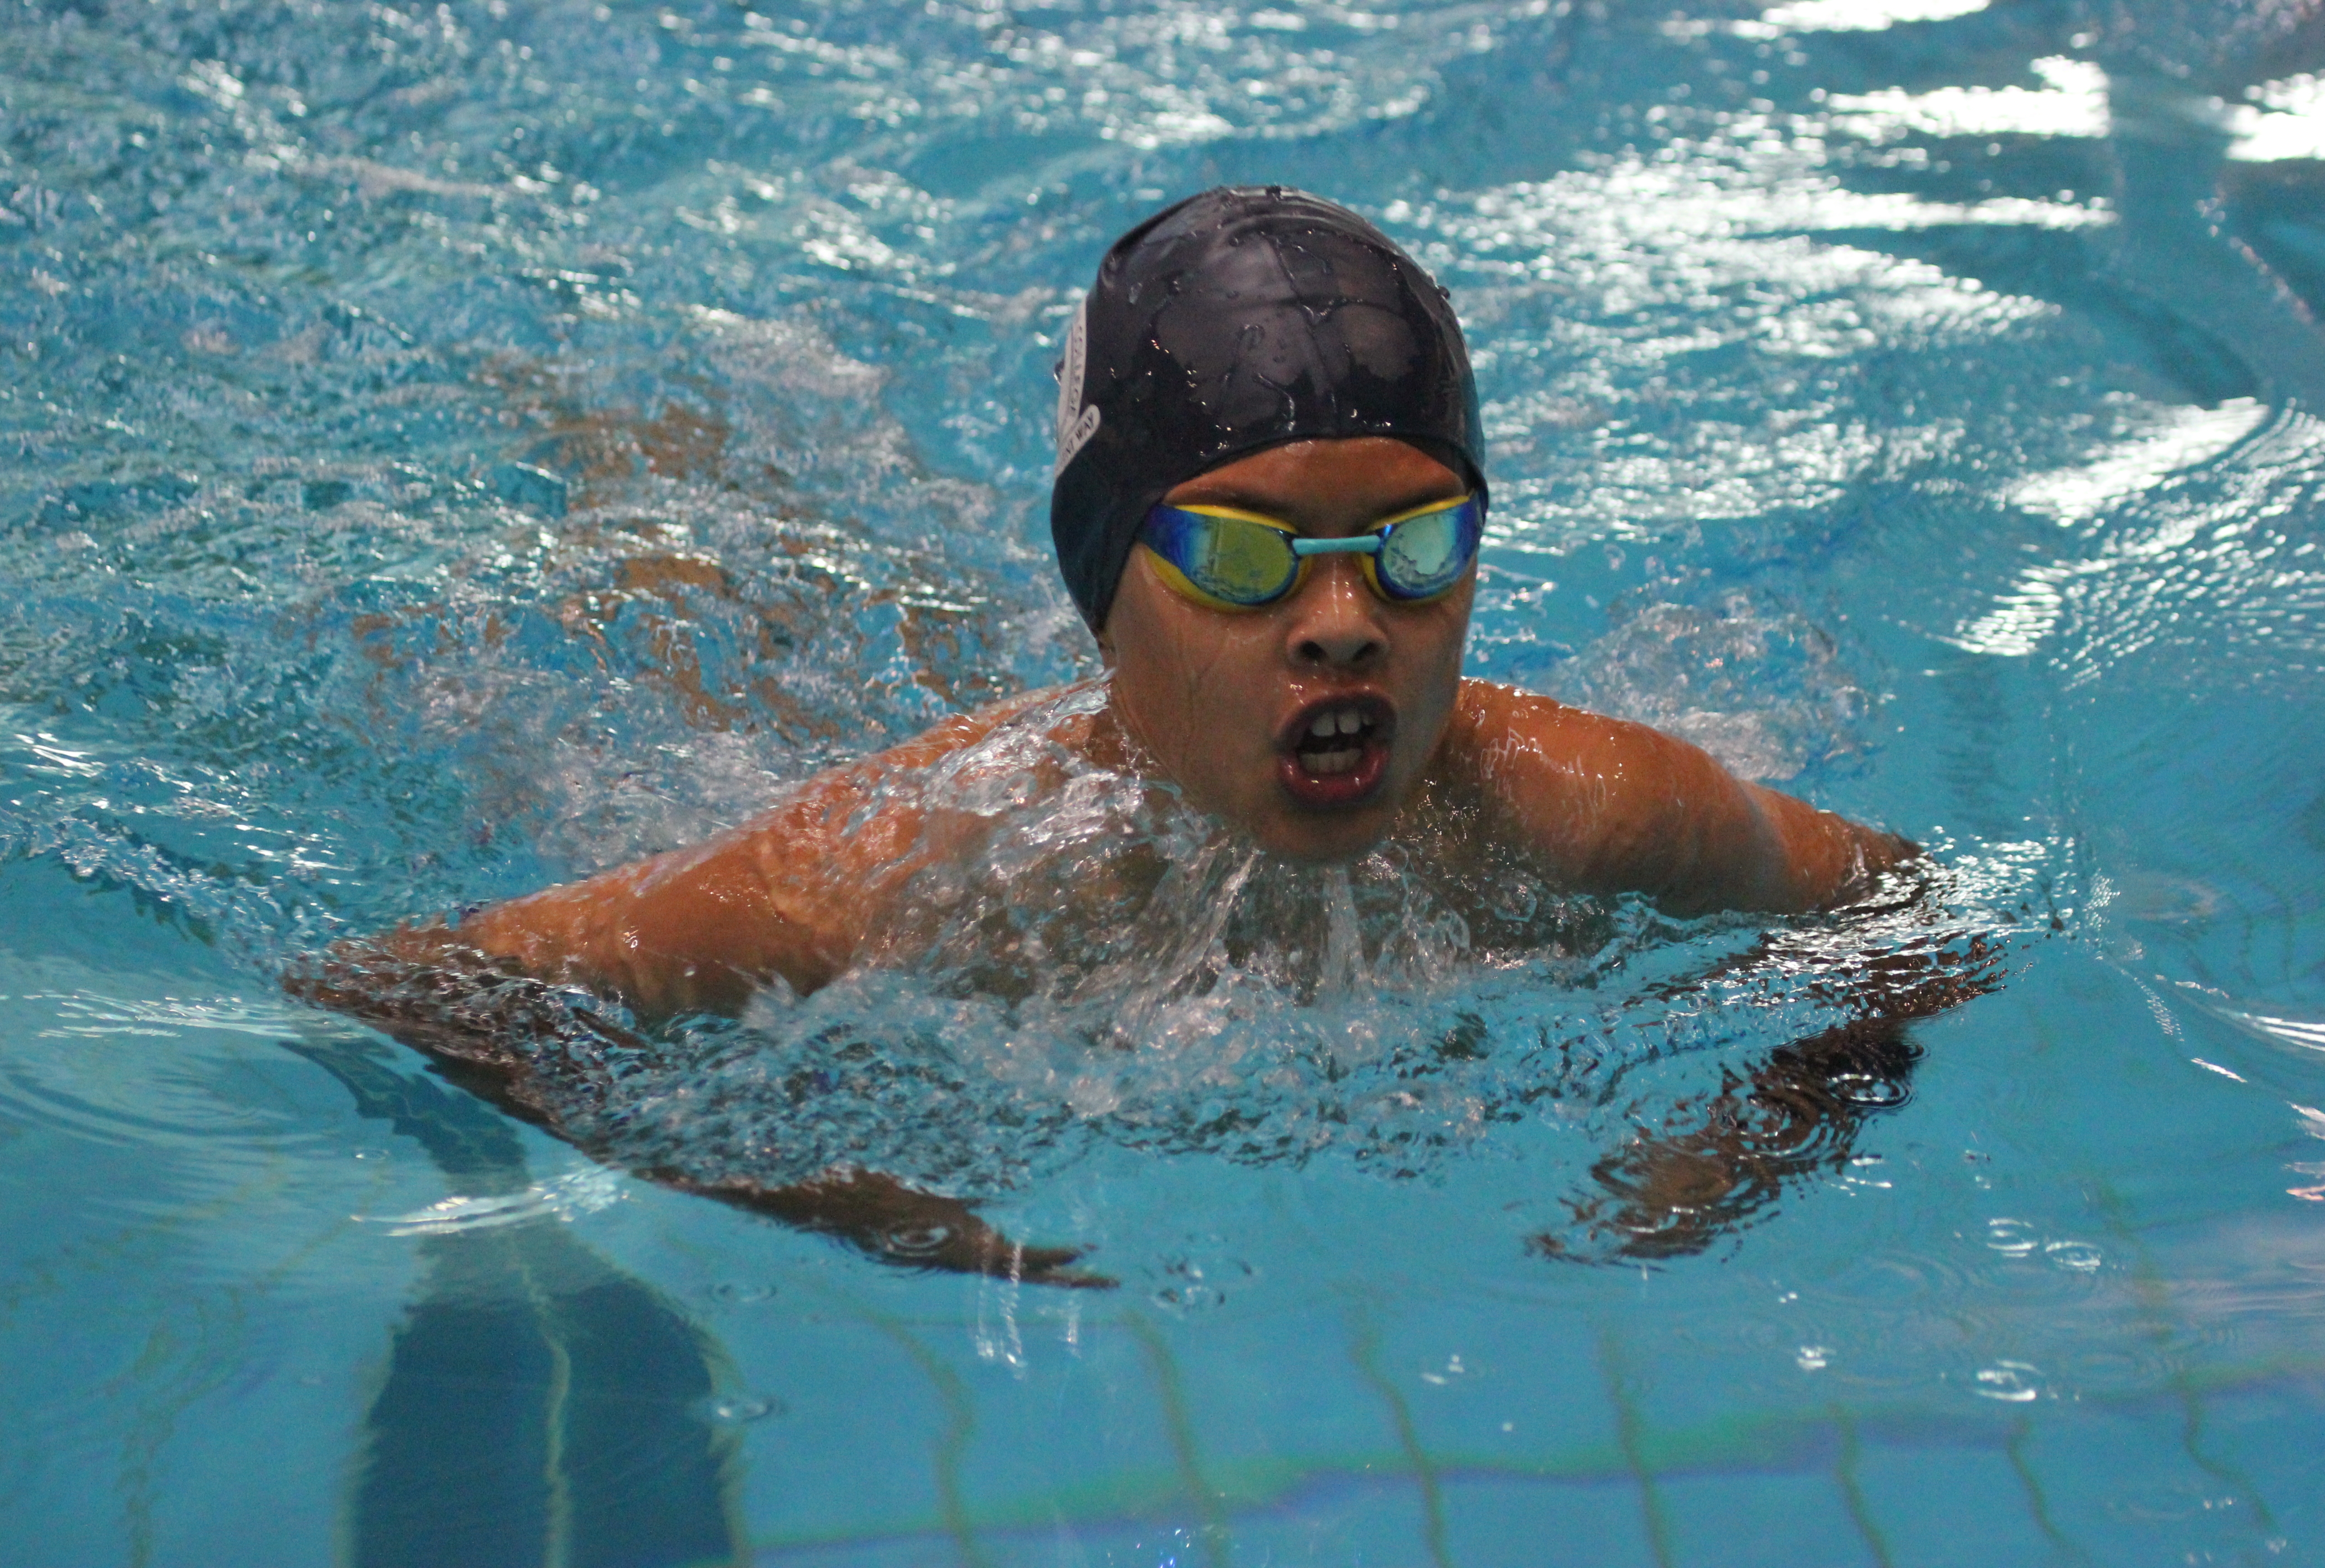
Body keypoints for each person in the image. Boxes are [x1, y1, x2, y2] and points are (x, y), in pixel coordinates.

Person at [306, 187, 1921, 1284]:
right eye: (1239, 556)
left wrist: (1757, 1137)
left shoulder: (1583, 808)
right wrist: (835, 1200)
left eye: (1418, 546)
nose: (1346, 620)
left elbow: (1914, 920)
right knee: (713, 661)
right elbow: (414, 991)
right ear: (1104, 579)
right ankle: (626, 444)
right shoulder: (922, 872)